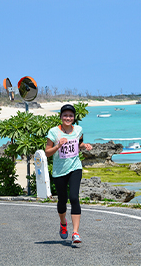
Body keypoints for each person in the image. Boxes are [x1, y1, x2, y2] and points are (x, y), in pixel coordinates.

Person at [45, 104, 92, 245]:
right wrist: (58, 145)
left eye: (70, 116)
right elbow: (47, 152)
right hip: (59, 171)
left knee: (74, 197)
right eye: (65, 115)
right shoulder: (53, 132)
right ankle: (63, 222)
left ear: (74, 118)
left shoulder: (78, 129)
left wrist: (85, 146)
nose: (68, 118)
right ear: (60, 117)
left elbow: (79, 144)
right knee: (62, 201)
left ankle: (76, 232)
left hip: (75, 167)